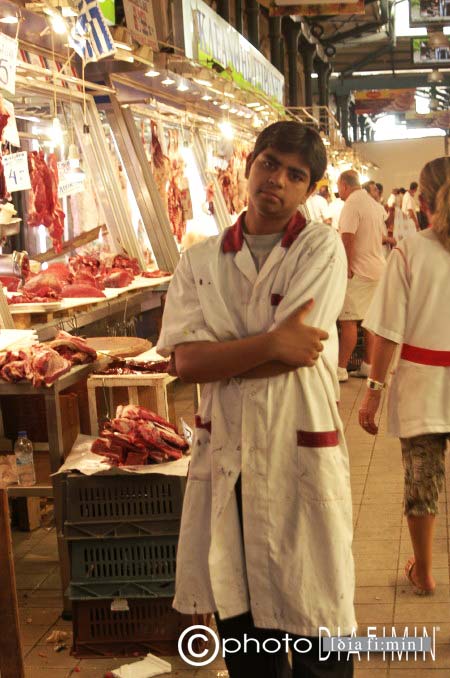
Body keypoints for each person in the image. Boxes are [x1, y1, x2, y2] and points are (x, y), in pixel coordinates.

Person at [157, 121, 355, 678]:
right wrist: (270, 344)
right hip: (230, 457)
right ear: (250, 166)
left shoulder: (320, 248)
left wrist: (223, 355)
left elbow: (301, 350)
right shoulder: (200, 261)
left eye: (296, 175)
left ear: (309, 189)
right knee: (245, 637)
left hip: (298, 450)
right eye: (269, 163)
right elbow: (186, 364)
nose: (278, 180)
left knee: (318, 627)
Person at [358, 156, 450, 596]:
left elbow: (388, 331)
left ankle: (425, 573)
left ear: (423, 201)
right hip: (424, 381)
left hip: (421, 386)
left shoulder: (410, 252)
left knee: (422, 479)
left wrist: (373, 392)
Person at [337, 171, 386, 382]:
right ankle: (367, 365)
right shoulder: (373, 204)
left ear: (344, 185)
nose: (338, 191)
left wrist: (346, 267)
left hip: (359, 270)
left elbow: (348, 237)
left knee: (348, 320)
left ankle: (340, 369)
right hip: (377, 269)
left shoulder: (352, 204)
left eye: (338, 186)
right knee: (369, 321)